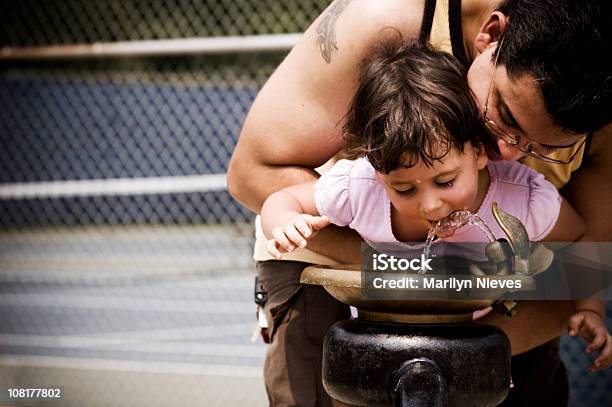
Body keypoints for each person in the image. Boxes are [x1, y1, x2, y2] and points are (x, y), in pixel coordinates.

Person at [228, 0, 612, 405]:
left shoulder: (533, 188)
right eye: (506, 115)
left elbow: (587, 254)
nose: (508, 153)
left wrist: (461, 345)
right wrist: (416, 268)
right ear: (492, 35)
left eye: (547, 147)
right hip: (333, 248)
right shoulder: (382, 20)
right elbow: (251, 172)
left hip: (504, 271)